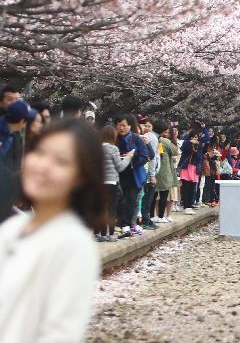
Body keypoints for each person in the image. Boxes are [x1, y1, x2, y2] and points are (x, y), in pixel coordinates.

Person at [0, 118, 104, 342]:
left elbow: (60, 333)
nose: (43, 166)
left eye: (61, 161)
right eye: (40, 152)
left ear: (81, 177)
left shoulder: (71, 244)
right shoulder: (13, 227)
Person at [97, 125, 133, 242]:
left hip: (99, 182)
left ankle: (102, 234)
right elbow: (120, 167)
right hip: (111, 181)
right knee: (111, 208)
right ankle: (111, 234)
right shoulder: (113, 149)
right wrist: (128, 157)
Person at [115, 114, 149, 234]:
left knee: (131, 199)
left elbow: (145, 156)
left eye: (124, 125)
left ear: (130, 126)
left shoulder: (136, 138)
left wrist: (133, 160)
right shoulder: (114, 138)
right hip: (118, 173)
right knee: (120, 199)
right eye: (119, 125)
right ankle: (122, 223)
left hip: (134, 174)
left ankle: (128, 224)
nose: (121, 128)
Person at [154, 124, 179, 223]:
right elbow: (175, 151)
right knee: (163, 194)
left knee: (157, 195)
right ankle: (160, 216)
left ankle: (156, 215)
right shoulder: (164, 141)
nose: (167, 134)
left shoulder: (158, 140)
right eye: (166, 132)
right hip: (164, 171)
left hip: (161, 170)